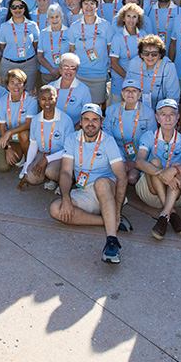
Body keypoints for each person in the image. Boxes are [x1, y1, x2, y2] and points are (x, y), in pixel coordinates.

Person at [51, 103, 129, 264]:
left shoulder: (108, 141)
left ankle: (112, 242)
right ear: (80, 121)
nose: (90, 123)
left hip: (108, 190)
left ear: (101, 122)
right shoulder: (72, 139)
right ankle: (109, 221)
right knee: (56, 209)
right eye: (86, 119)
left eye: (95, 120)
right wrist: (66, 199)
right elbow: (66, 172)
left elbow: (122, 177)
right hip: (85, 191)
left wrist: (118, 208)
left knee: (101, 183)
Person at [135, 98, 181, 239]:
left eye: (172, 114)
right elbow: (139, 162)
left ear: (178, 117)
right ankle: (172, 213)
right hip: (151, 192)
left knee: (176, 166)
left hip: (176, 194)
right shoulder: (149, 136)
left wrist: (173, 172)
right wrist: (163, 174)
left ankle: (165, 215)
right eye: (163, 114)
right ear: (157, 118)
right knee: (155, 162)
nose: (168, 118)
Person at [20, 84, 73, 188]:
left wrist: (46, 160)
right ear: (39, 100)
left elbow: (68, 150)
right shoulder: (35, 120)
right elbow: (33, 145)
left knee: (51, 171)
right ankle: (47, 177)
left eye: (51, 98)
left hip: (61, 156)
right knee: (32, 178)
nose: (47, 102)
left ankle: (64, 181)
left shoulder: (66, 120)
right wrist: (25, 171)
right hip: (43, 153)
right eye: (43, 99)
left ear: (56, 99)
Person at [104, 77, 156, 180]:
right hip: (116, 154)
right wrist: (120, 160)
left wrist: (134, 162)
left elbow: (151, 140)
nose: (130, 94)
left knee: (132, 177)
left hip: (139, 155)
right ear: (122, 93)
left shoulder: (149, 113)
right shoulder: (111, 110)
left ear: (140, 94)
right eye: (127, 91)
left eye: (134, 91)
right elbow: (107, 137)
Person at [68, 0, 114, 105]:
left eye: (92, 3)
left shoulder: (105, 26)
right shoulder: (74, 27)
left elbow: (110, 50)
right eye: (85, 3)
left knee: (97, 107)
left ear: (97, 6)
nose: (89, 7)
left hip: (99, 75)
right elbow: (73, 51)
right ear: (81, 6)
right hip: (80, 75)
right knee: (80, 107)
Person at [0, 68, 37, 171]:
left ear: (24, 85)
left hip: (27, 136)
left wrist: (9, 132)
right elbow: (2, 128)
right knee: (15, 160)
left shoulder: (31, 99)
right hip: (13, 138)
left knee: (24, 134)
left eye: (19, 83)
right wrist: (7, 148)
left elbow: (28, 124)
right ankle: (22, 153)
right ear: (7, 86)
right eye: (12, 83)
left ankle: (30, 162)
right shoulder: (1, 102)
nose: (16, 87)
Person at [0, 0, 40, 92]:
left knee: (29, 93)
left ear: (25, 8)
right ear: (10, 9)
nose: (17, 9)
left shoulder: (32, 25)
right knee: (8, 93)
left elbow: (35, 45)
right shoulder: (4, 26)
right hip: (8, 65)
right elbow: (2, 47)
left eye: (20, 6)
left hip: (28, 64)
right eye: (14, 7)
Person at [130, 34, 180, 111]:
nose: (150, 57)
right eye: (146, 53)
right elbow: (128, 89)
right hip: (138, 109)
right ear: (141, 54)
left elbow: (173, 96)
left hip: (162, 110)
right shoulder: (133, 63)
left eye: (154, 54)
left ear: (160, 55)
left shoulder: (168, 66)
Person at [109, 4, 145, 104]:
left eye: (134, 17)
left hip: (139, 81)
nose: (131, 20)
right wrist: (128, 77)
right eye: (128, 16)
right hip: (120, 80)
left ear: (138, 19)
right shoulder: (117, 37)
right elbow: (114, 63)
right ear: (123, 18)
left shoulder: (143, 35)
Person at [52, 53, 93, 125]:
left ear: (76, 70)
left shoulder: (84, 90)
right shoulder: (51, 87)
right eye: (66, 67)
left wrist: (72, 130)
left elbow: (87, 115)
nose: (69, 71)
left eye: (72, 68)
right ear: (60, 68)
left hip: (74, 129)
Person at [37, 4, 71, 88]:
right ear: (48, 19)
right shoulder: (43, 33)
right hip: (47, 73)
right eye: (51, 17)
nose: (55, 20)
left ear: (61, 17)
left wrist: (60, 69)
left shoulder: (69, 32)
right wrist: (51, 69)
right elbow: (40, 56)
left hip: (65, 73)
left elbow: (72, 53)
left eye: (57, 16)